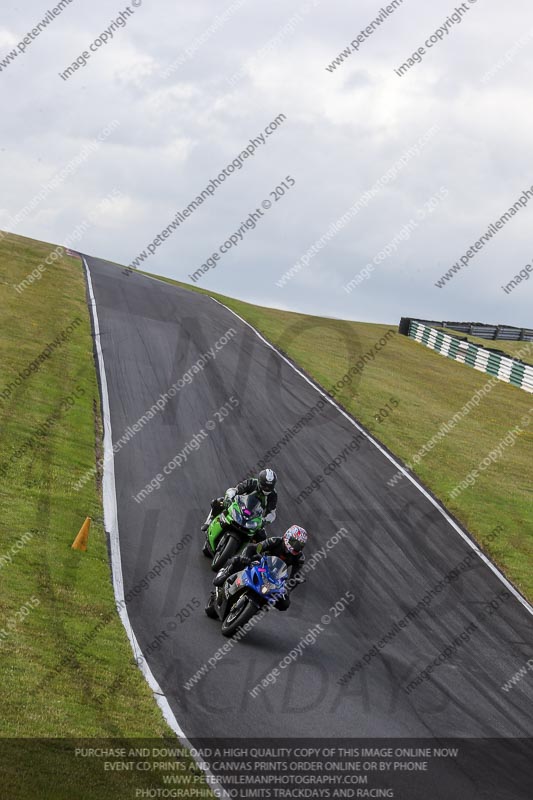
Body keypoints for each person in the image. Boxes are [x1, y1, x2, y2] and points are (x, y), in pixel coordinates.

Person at [207, 525, 308, 614]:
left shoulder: (299, 558)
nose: (296, 547)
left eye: (299, 545)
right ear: (287, 536)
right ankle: (225, 574)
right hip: (260, 564)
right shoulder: (276, 541)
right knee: (240, 561)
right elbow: (253, 548)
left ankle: (257, 608)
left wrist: (288, 589)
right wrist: (246, 556)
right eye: (294, 543)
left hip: (274, 579)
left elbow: (296, 576)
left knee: (284, 604)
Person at [201, 468, 278, 532]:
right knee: (219, 501)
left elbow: (272, 513)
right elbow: (235, 490)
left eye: (270, 486)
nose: (267, 489)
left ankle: (244, 549)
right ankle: (209, 521)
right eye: (265, 486)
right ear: (260, 482)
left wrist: (264, 521)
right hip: (240, 506)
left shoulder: (273, 495)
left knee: (262, 535)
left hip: (254, 517)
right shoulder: (252, 483)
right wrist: (229, 498)